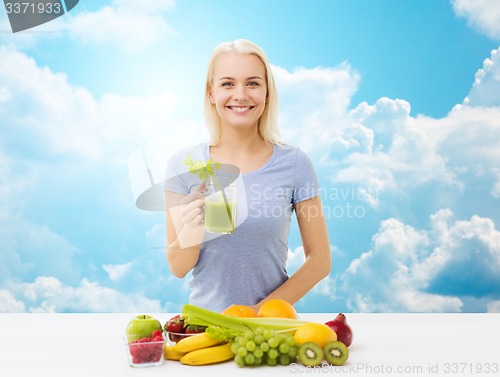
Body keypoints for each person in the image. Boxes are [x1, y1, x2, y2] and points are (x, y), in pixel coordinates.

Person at [163, 39, 331, 313]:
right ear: (211, 94)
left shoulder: (295, 164)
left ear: (267, 93)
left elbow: (320, 261)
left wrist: (259, 312)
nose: (240, 94)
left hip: (271, 328)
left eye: (252, 83)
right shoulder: (183, 165)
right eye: (227, 84)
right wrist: (193, 226)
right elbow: (178, 268)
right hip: (205, 330)